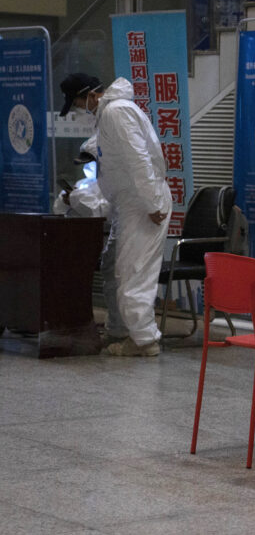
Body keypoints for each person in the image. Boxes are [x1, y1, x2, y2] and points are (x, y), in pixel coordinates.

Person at [59, 73, 172, 357]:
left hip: (142, 202)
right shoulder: (110, 114)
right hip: (132, 201)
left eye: (78, 103)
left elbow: (138, 159)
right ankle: (136, 335)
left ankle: (144, 340)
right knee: (125, 270)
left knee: (134, 272)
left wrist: (152, 203)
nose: (80, 109)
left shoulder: (116, 112)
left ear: (91, 95)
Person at [52, 137, 125, 342]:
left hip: (106, 242)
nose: (87, 168)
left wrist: (76, 199)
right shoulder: (82, 184)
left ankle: (118, 329)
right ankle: (70, 321)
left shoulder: (115, 187)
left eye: (91, 163)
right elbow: (58, 210)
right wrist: (67, 199)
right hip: (78, 242)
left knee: (115, 284)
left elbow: (102, 213)